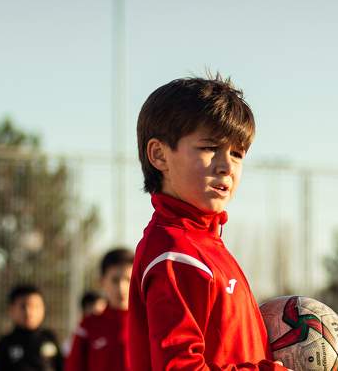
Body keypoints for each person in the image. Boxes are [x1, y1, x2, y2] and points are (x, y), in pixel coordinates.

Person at [128, 75, 288, 370]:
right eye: (209, 147)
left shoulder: (207, 246)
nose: (226, 166)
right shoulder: (175, 253)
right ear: (159, 155)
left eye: (237, 154)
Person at [65, 247, 134, 371]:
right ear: (102, 282)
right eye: (115, 280)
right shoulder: (87, 327)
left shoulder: (149, 324)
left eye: (128, 280)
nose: (121, 287)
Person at [0, 284, 63, 371]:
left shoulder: (50, 338)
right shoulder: (6, 343)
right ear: (11, 309)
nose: (29, 312)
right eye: (23, 307)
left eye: (35, 306)